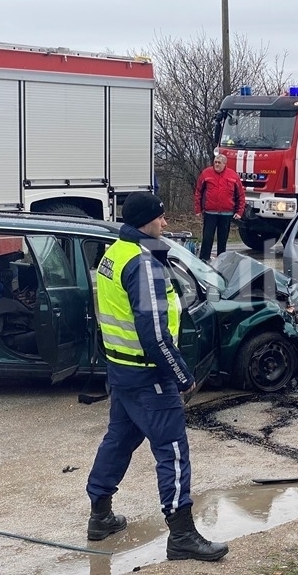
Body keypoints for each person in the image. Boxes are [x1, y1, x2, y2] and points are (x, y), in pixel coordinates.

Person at [86, 191, 229, 562]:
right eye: (160, 218)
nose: (165, 223)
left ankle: (100, 515)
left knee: (119, 440)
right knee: (173, 450)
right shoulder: (142, 262)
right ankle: (182, 535)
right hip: (149, 374)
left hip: (122, 370)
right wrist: (181, 375)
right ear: (145, 221)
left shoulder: (115, 253)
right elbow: (153, 333)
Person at [193, 153, 245, 260]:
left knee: (222, 240)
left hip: (226, 213)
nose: (216, 164)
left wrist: (239, 212)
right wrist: (198, 209)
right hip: (210, 212)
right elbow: (198, 192)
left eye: (219, 163)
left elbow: (240, 195)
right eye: (215, 162)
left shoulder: (233, 175)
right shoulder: (206, 173)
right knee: (207, 238)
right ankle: (203, 260)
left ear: (224, 164)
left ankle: (221, 261)